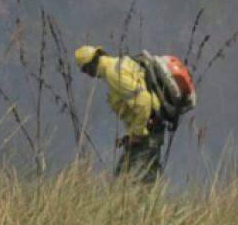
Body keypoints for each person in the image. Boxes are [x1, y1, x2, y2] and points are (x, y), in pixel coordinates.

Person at [74, 45, 173, 183]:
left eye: (85, 71)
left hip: (148, 129)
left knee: (127, 180)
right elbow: (135, 106)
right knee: (145, 176)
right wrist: (128, 136)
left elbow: (143, 101)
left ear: (89, 68)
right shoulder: (120, 63)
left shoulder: (113, 74)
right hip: (152, 124)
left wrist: (137, 134)